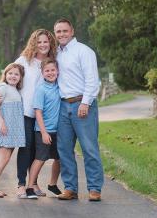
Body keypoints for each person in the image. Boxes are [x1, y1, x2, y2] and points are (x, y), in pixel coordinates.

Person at [53, 18, 103, 201]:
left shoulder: (84, 51)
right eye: (58, 32)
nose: (62, 34)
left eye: (65, 31)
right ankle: (70, 188)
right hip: (63, 105)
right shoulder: (56, 53)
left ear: (72, 31)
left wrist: (85, 103)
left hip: (82, 104)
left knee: (89, 147)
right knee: (64, 149)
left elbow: (92, 80)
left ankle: (95, 188)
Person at [12, 29, 61, 198]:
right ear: (34, 43)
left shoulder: (51, 62)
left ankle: (33, 184)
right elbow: (9, 77)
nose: (42, 45)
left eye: (45, 42)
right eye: (39, 42)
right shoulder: (24, 61)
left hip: (43, 117)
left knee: (36, 152)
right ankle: (21, 185)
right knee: (26, 149)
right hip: (25, 112)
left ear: (50, 43)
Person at [0, 63, 26, 198]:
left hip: (13, 130)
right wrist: (2, 122)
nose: (13, 76)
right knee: (3, 159)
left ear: (20, 78)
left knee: (6, 158)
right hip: (5, 128)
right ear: (5, 75)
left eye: (16, 74)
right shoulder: (2, 88)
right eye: (10, 73)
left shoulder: (15, 90)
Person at [25, 59, 62, 199]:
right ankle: (30, 187)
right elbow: (38, 112)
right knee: (40, 158)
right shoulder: (41, 89)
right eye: (47, 70)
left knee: (59, 159)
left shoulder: (59, 86)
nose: (50, 73)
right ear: (42, 73)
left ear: (57, 71)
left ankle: (52, 184)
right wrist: (44, 132)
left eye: (53, 70)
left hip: (58, 131)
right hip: (43, 131)